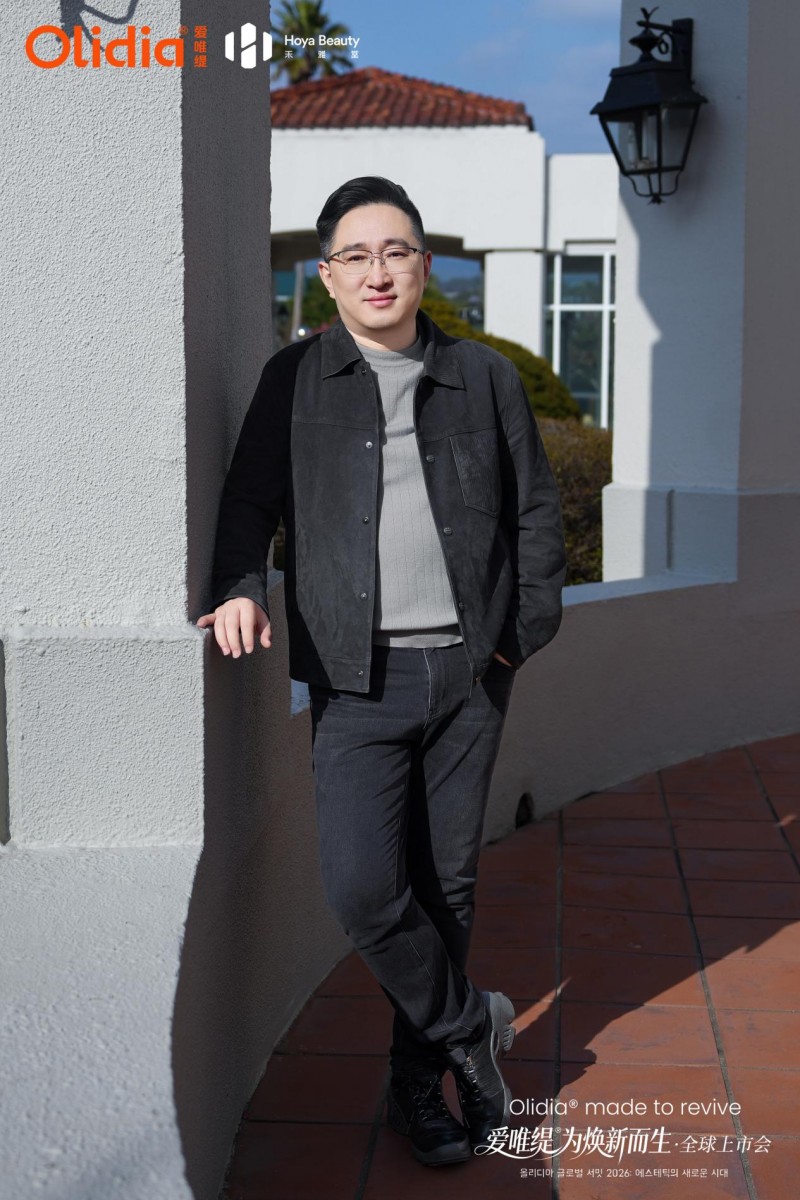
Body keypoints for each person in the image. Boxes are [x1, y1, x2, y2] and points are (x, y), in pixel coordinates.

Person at [197, 177, 566, 1168]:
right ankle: (470, 1029)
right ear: (326, 277)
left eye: (395, 251)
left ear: (425, 266)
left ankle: (419, 1087)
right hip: (354, 679)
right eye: (354, 255)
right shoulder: (293, 379)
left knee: (446, 887)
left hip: (469, 673)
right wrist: (239, 586)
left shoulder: (482, 376)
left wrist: (516, 636)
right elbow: (249, 501)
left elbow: (535, 511)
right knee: (363, 888)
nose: (377, 271)